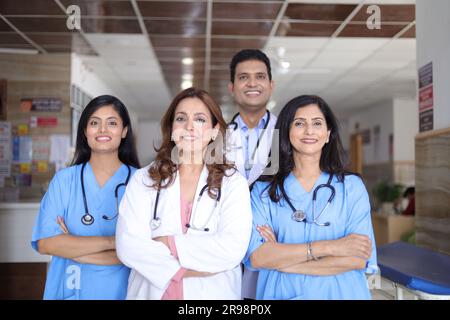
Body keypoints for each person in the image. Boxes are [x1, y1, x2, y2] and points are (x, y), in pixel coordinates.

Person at [116, 87, 252, 300]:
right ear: (171, 128)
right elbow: (128, 246)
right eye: (181, 119)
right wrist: (190, 269)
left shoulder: (233, 184)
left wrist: (169, 243)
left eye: (199, 120)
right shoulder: (144, 179)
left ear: (215, 130)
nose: (189, 127)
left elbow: (232, 249)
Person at [244, 95, 378, 300]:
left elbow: (357, 258)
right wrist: (332, 246)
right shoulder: (263, 191)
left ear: (328, 133)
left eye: (317, 123)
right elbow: (259, 257)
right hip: (281, 293)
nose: (309, 131)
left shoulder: (351, 187)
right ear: (286, 132)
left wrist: (284, 260)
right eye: (299, 123)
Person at [31, 95, 140, 300]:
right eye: (94, 123)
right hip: (71, 290)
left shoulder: (141, 182)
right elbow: (46, 243)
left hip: (123, 292)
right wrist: (113, 241)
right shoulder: (64, 180)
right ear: (85, 131)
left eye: (112, 123)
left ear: (124, 131)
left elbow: (143, 251)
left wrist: (71, 246)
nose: (102, 130)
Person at [227, 48, 278, 299]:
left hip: (273, 236)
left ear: (271, 84)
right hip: (226, 238)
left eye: (259, 76)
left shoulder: (288, 132)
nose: (252, 83)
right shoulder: (216, 137)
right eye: (243, 77)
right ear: (232, 87)